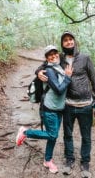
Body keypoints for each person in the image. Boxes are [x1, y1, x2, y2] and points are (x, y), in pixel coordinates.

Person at [37, 31, 95, 178]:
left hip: (86, 104)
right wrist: (38, 72)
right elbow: (44, 64)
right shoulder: (60, 58)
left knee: (86, 136)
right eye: (65, 40)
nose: (68, 42)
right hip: (67, 105)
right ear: (62, 44)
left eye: (70, 39)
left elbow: (94, 79)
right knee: (68, 135)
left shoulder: (85, 58)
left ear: (74, 41)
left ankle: (85, 163)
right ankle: (69, 160)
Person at [15, 45, 73, 174]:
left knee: (52, 137)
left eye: (55, 53)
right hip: (49, 108)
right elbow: (58, 90)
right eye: (50, 55)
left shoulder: (59, 66)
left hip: (59, 108)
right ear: (46, 58)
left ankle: (47, 160)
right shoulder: (49, 70)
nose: (53, 56)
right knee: (53, 134)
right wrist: (68, 77)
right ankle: (25, 132)